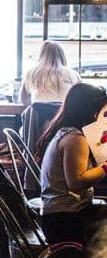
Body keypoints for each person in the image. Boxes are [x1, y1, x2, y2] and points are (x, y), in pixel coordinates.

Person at [38, 83, 107, 246]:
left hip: (59, 214)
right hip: (65, 220)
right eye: (104, 114)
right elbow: (76, 183)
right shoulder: (76, 139)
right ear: (91, 112)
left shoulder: (67, 132)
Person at [20, 40, 80, 105]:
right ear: (62, 56)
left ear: (41, 55)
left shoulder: (32, 73)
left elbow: (23, 100)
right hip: (65, 114)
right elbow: (80, 99)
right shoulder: (73, 74)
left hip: (39, 114)